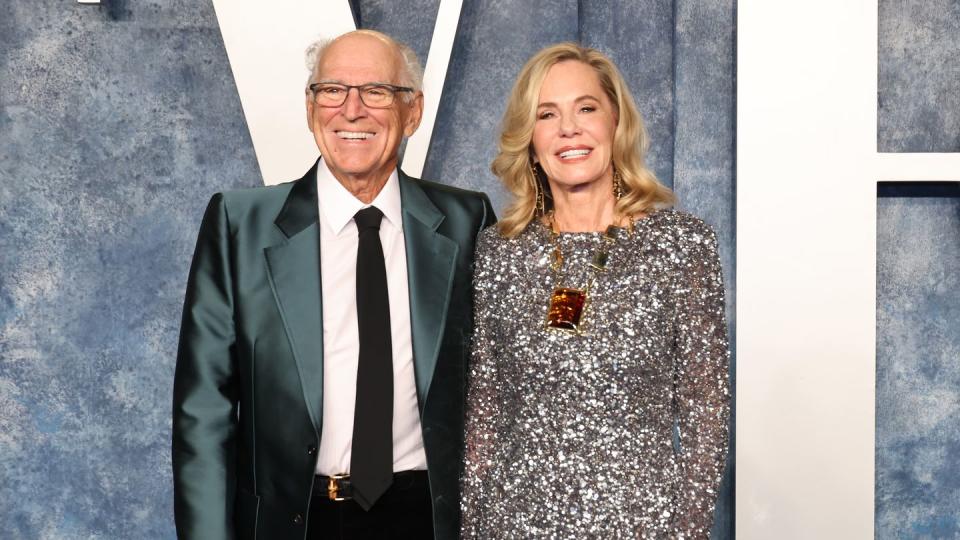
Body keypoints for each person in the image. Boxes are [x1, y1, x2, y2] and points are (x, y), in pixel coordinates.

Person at [173, 30, 495, 540]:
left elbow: (495, 383)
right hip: (293, 521)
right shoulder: (240, 224)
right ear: (310, 107)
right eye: (332, 90)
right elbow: (203, 414)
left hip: (424, 519)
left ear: (412, 112)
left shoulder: (465, 221)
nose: (352, 110)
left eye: (376, 91)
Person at [461, 43, 730, 538]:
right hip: (514, 522)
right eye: (547, 114)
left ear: (615, 121)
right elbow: (486, 412)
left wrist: (688, 529)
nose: (569, 129)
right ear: (531, 139)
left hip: (642, 524)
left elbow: (704, 410)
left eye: (586, 108)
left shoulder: (682, 245)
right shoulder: (499, 252)